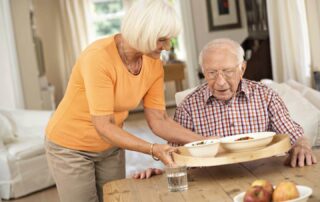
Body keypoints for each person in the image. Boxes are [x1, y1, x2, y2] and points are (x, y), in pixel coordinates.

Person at [44, 1, 209, 202]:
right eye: (162, 40)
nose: (167, 47)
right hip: (70, 146)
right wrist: (153, 149)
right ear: (143, 32)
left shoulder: (153, 63)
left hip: (110, 146)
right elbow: (103, 125)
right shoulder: (98, 58)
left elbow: (159, 119)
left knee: (114, 198)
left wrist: (204, 141)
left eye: (169, 40)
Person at [135, 38, 317, 179]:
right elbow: (175, 155)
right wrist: (160, 171)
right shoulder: (188, 106)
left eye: (228, 72)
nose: (220, 82)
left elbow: (293, 135)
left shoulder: (266, 96)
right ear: (203, 72)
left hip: (265, 175)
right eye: (212, 73)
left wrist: (301, 145)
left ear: (242, 68)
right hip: (213, 181)